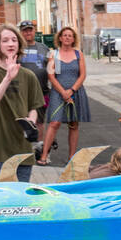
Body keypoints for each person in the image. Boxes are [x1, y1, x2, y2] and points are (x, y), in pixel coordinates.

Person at [0, 24, 45, 182]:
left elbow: (33, 107)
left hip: (22, 145)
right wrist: (8, 78)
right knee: (2, 198)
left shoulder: (28, 75)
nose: (11, 44)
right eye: (5, 40)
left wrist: (31, 122)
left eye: (14, 40)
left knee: (21, 198)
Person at [39, 26, 90, 165]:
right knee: (54, 122)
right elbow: (51, 75)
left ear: (73, 39)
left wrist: (72, 90)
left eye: (70, 35)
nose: (67, 37)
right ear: (60, 38)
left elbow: (83, 75)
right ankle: (44, 155)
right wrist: (62, 92)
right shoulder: (53, 54)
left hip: (75, 92)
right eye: (65, 35)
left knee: (73, 124)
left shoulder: (79, 54)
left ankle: (71, 158)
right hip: (58, 92)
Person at [18, 20, 50, 114]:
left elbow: (51, 69)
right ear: (21, 32)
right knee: (23, 123)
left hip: (42, 92)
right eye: (25, 30)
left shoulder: (44, 47)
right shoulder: (16, 48)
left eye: (30, 30)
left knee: (39, 123)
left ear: (34, 30)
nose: (28, 32)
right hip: (22, 94)